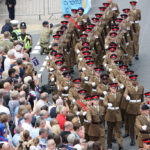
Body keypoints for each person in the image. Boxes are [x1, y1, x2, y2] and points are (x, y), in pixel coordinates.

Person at [104, 83, 123, 150]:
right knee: (110, 130)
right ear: (110, 88)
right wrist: (107, 104)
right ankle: (109, 144)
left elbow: (121, 104)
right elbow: (104, 102)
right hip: (110, 114)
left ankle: (120, 144)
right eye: (113, 88)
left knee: (118, 130)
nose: (114, 89)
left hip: (117, 113)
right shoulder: (107, 94)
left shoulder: (119, 95)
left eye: (115, 88)